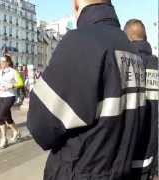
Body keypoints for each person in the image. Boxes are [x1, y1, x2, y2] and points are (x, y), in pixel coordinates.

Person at [27, 0, 148, 179]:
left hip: (82, 169)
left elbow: (41, 125)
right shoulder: (130, 48)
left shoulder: (81, 41)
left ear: (76, 4)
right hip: (121, 168)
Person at [124, 19, 158, 180]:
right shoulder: (157, 64)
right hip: (151, 156)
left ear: (128, 38)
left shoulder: (123, 63)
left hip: (125, 156)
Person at [0, 55, 24, 149]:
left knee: (0, 117)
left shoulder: (13, 72)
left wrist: (11, 86)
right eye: (0, 62)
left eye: (3, 62)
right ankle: (16, 132)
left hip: (9, 97)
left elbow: (21, 83)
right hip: (0, 96)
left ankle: (4, 139)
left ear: (8, 62)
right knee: (8, 118)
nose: (1, 63)